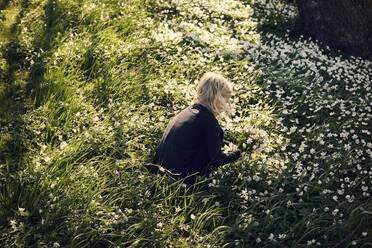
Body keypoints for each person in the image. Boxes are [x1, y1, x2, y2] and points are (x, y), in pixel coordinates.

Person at [152, 72, 241, 184]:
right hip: (179, 178)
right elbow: (217, 160)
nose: (225, 105)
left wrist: (228, 145)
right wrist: (238, 153)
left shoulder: (190, 111)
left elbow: (207, 139)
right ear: (217, 98)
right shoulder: (209, 121)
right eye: (225, 100)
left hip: (160, 169)